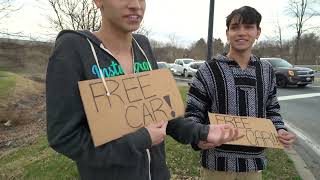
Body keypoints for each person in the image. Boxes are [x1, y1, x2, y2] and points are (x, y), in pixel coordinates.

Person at [46, 0, 242, 179]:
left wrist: (201, 133)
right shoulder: (72, 49)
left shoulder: (143, 46)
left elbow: (163, 114)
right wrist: (141, 140)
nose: (136, 5)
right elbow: (65, 137)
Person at [185, 6, 296, 180]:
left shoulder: (266, 70)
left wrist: (280, 129)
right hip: (216, 165)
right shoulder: (209, 69)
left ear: (258, 32)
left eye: (249, 27)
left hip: (253, 166)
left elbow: (272, 108)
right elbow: (193, 111)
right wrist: (198, 138)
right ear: (227, 33)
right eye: (235, 27)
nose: (241, 32)